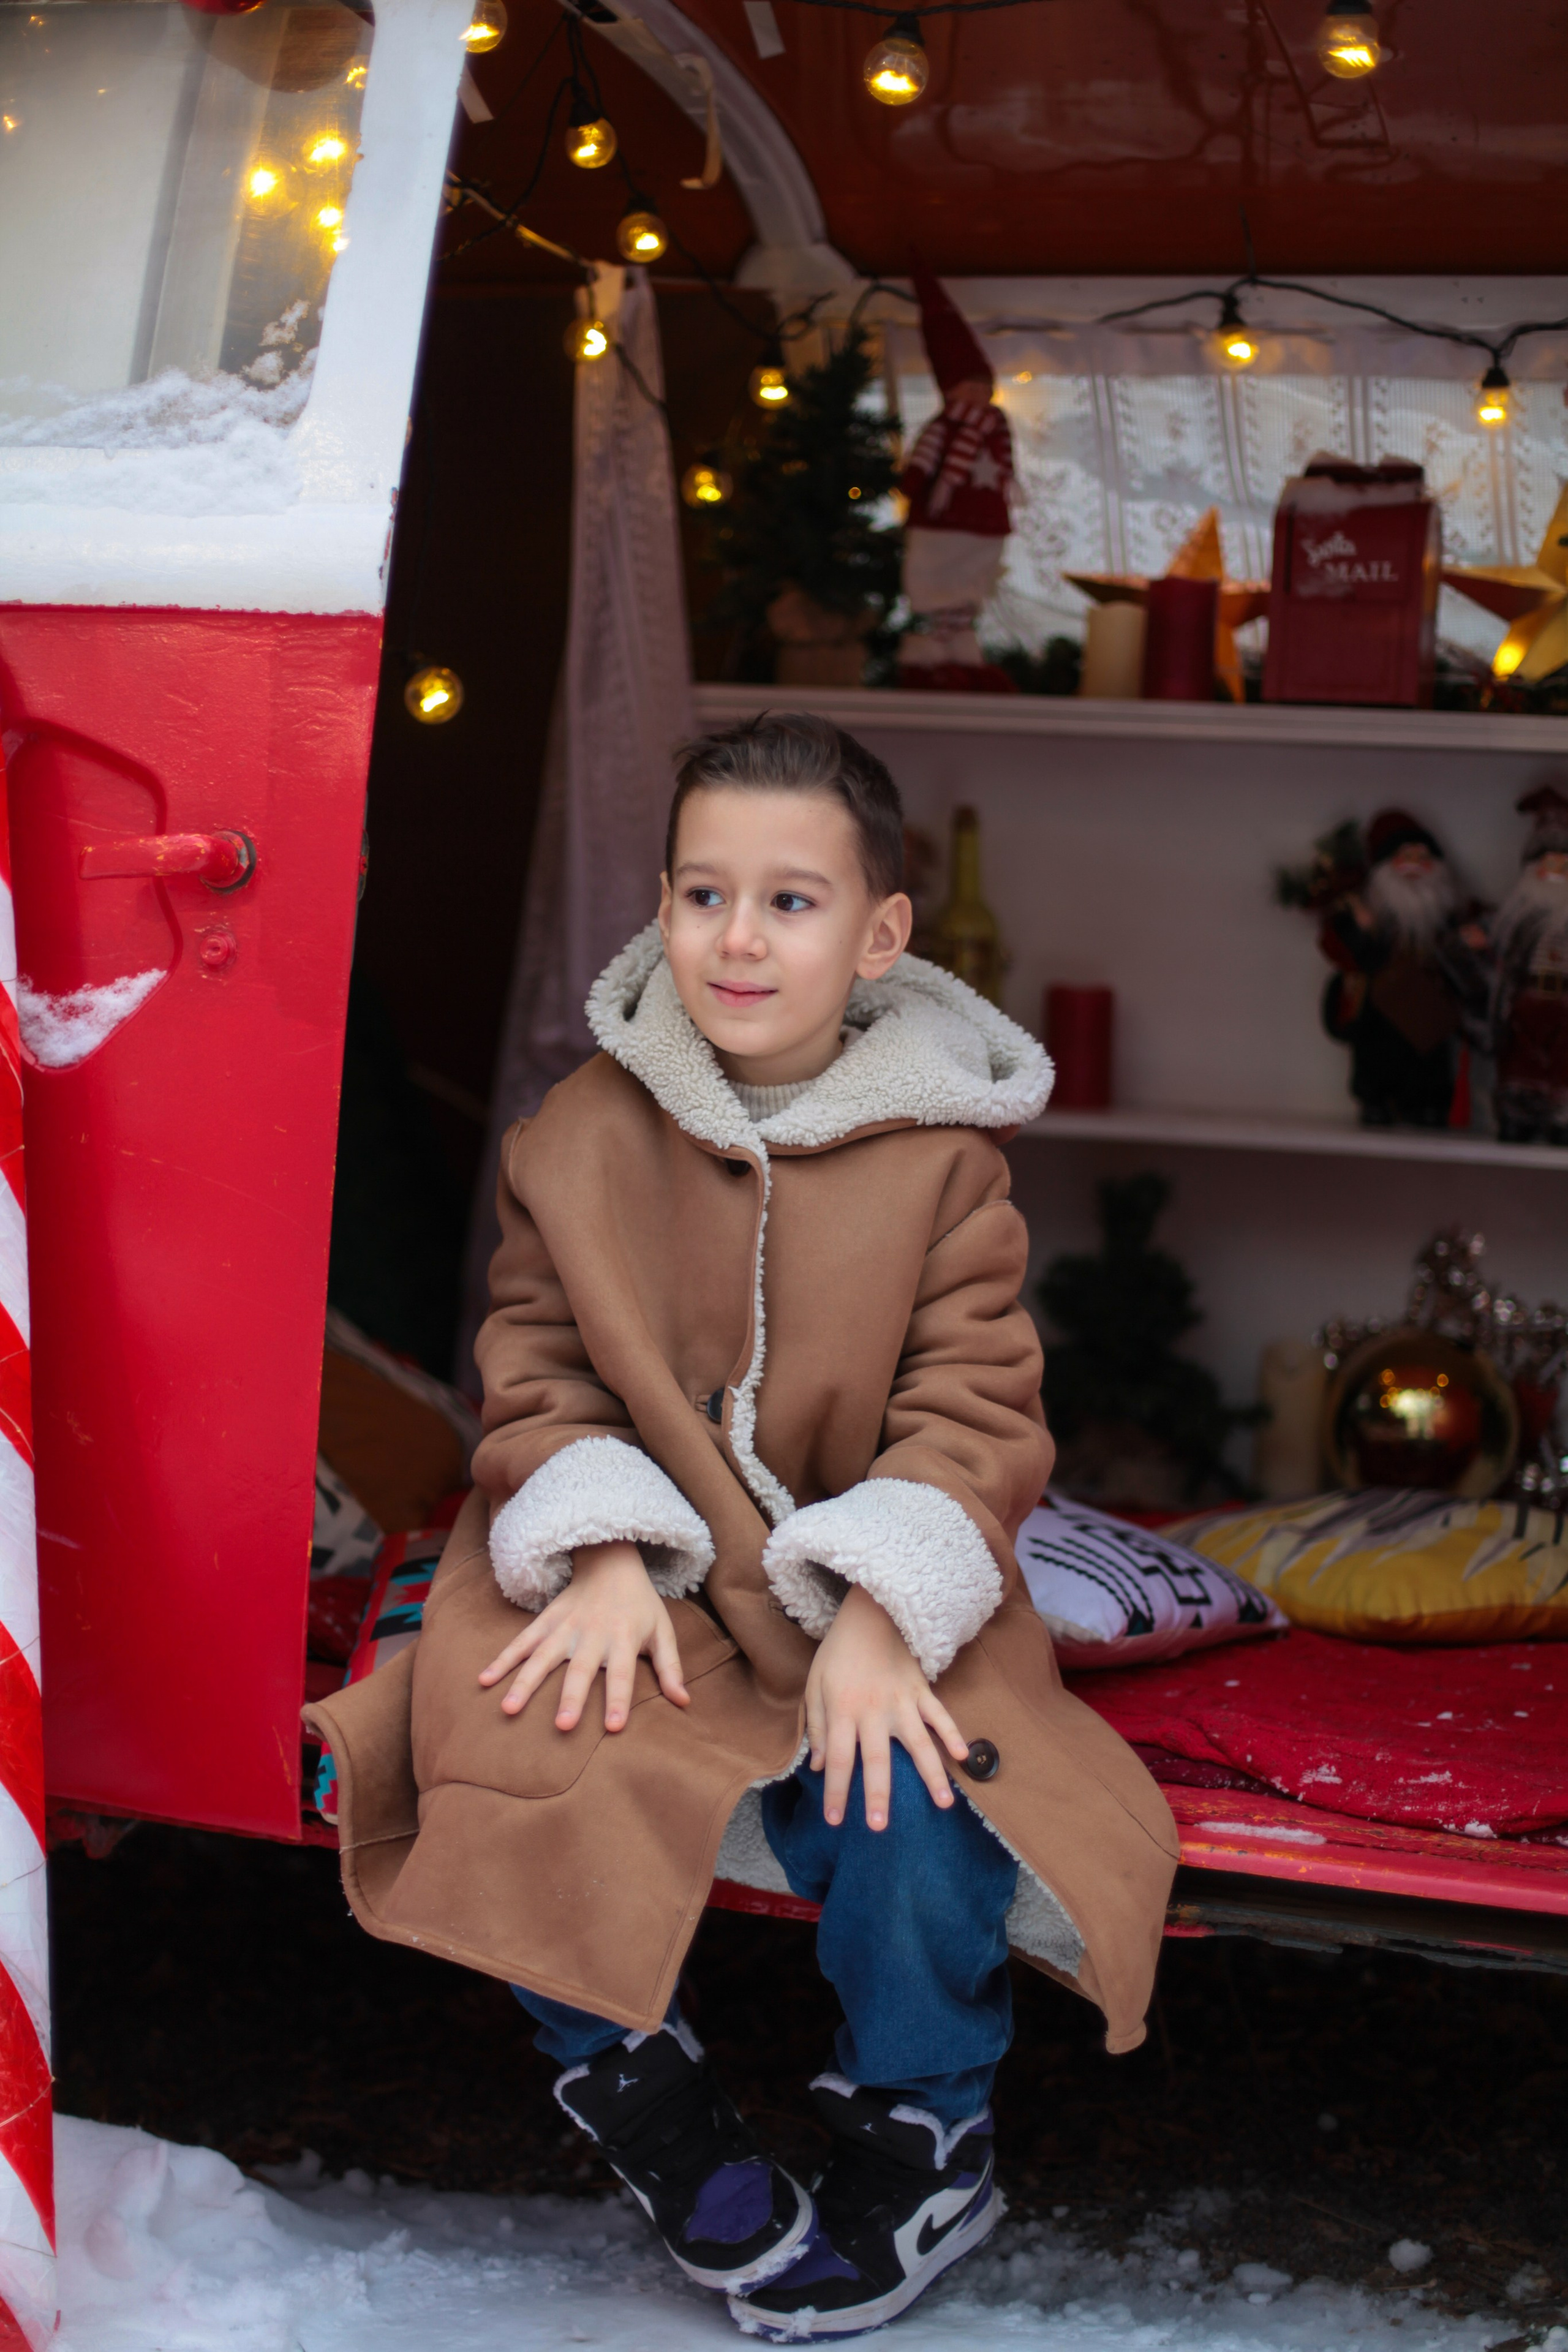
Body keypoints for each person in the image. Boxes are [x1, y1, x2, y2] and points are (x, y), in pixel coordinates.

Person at [307, 714, 1176, 2340]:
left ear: (878, 934)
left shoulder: (943, 1162)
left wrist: (873, 1617)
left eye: (792, 902)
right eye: (706, 895)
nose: (740, 937)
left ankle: (925, 2128)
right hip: (648, 1566)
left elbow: (975, 1412)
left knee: (919, 1791)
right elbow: (538, 1374)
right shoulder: (578, 1140)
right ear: (661, 908)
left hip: (872, 1574)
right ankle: (632, 2082)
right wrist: (609, 1553)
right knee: (515, 1729)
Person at [897, 268, 1017, 692]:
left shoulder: (997, 428)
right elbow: (925, 459)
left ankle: (960, 643)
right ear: (951, 390)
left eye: (984, 389)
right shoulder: (942, 428)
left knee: (969, 584)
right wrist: (912, 482)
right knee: (937, 580)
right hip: (942, 518)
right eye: (971, 388)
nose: (979, 397)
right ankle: (935, 647)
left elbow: (1004, 470)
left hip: (983, 519)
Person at [1318, 809, 1474, 1128]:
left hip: (1430, 1013)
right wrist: (1362, 931)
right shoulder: (1369, 915)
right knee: (1376, 1057)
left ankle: (1429, 1105)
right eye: (1406, 856)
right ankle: (1375, 1101)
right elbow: (1346, 953)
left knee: (1430, 1062)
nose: (1415, 863)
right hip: (1382, 1011)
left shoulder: (1446, 918)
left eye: (1423, 856)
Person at [1487, 783, 1568, 1145]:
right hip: (1526, 1000)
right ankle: (1519, 1116)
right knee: (1521, 1062)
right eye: (1548, 861)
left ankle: (1561, 1118)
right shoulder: (1516, 912)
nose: (1557, 870)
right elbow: (1500, 955)